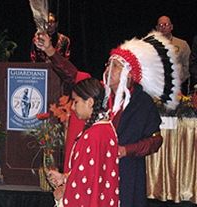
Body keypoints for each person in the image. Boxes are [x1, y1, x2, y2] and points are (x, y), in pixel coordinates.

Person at [33, 30, 181, 207]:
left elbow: (156, 140)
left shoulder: (142, 102)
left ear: (129, 73)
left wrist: (126, 150)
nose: (108, 69)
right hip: (97, 172)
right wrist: (50, 50)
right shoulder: (100, 95)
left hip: (126, 171)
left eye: (116, 65)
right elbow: (73, 76)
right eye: (108, 64)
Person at [49, 78, 119, 207]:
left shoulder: (94, 134)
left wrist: (63, 190)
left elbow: (85, 179)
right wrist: (65, 177)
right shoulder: (106, 128)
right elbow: (89, 171)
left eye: (76, 101)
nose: (73, 107)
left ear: (90, 102)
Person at [156, 15, 191, 95]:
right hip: (156, 88)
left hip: (177, 88)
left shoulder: (182, 44)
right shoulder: (149, 45)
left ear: (171, 27)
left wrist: (178, 80)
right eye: (160, 25)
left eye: (166, 25)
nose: (163, 27)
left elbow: (187, 66)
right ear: (157, 28)